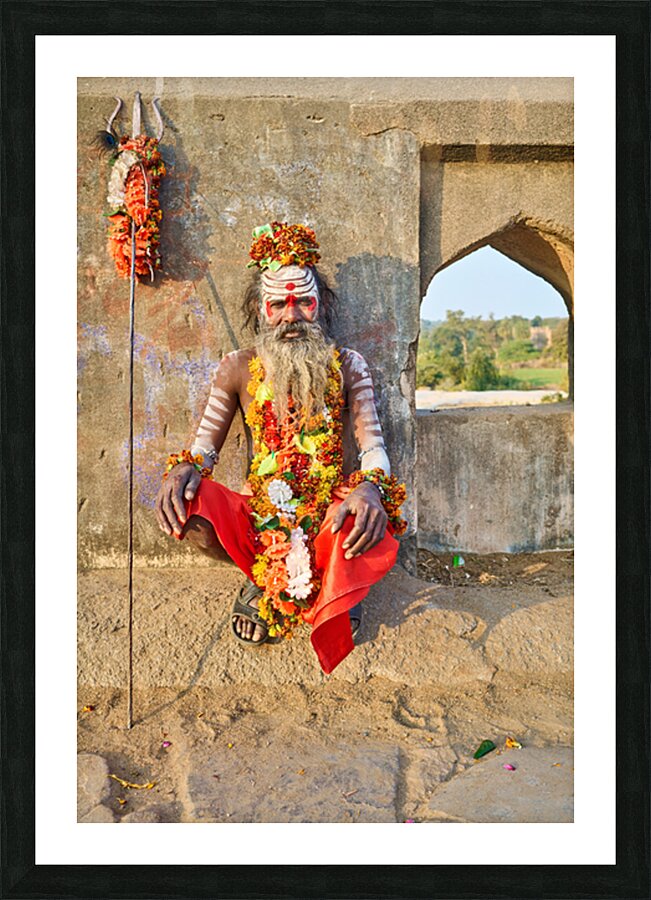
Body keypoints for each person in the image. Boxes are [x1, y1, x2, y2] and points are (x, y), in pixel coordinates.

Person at [155, 222, 406, 674]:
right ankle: (260, 580)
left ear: (321, 305)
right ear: (260, 308)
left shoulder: (348, 366)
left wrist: (369, 489)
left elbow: (373, 449)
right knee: (190, 510)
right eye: (279, 304)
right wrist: (185, 471)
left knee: (369, 517)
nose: (291, 316)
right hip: (261, 511)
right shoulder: (236, 367)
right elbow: (202, 451)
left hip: (329, 509)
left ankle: (336, 585)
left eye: (303, 302)